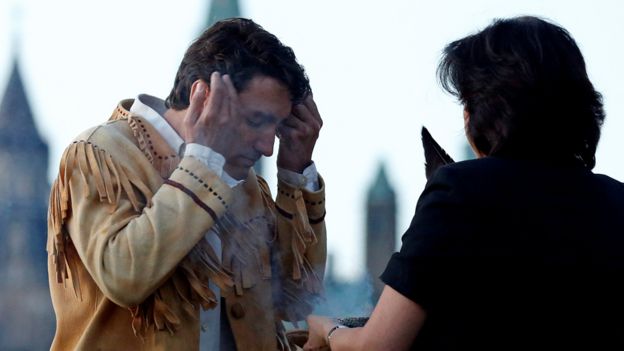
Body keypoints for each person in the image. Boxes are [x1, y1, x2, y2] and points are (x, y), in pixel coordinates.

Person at [305, 16, 624, 351]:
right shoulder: (618, 203)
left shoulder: (462, 192)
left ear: (484, 115)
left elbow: (378, 346)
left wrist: (328, 330)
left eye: (467, 102)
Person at [47, 18, 326, 351]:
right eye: (256, 120)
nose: (268, 146)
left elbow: (296, 302)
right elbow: (124, 276)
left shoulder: (242, 181)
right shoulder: (100, 153)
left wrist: (296, 174)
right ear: (203, 96)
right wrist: (204, 164)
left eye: (277, 126)